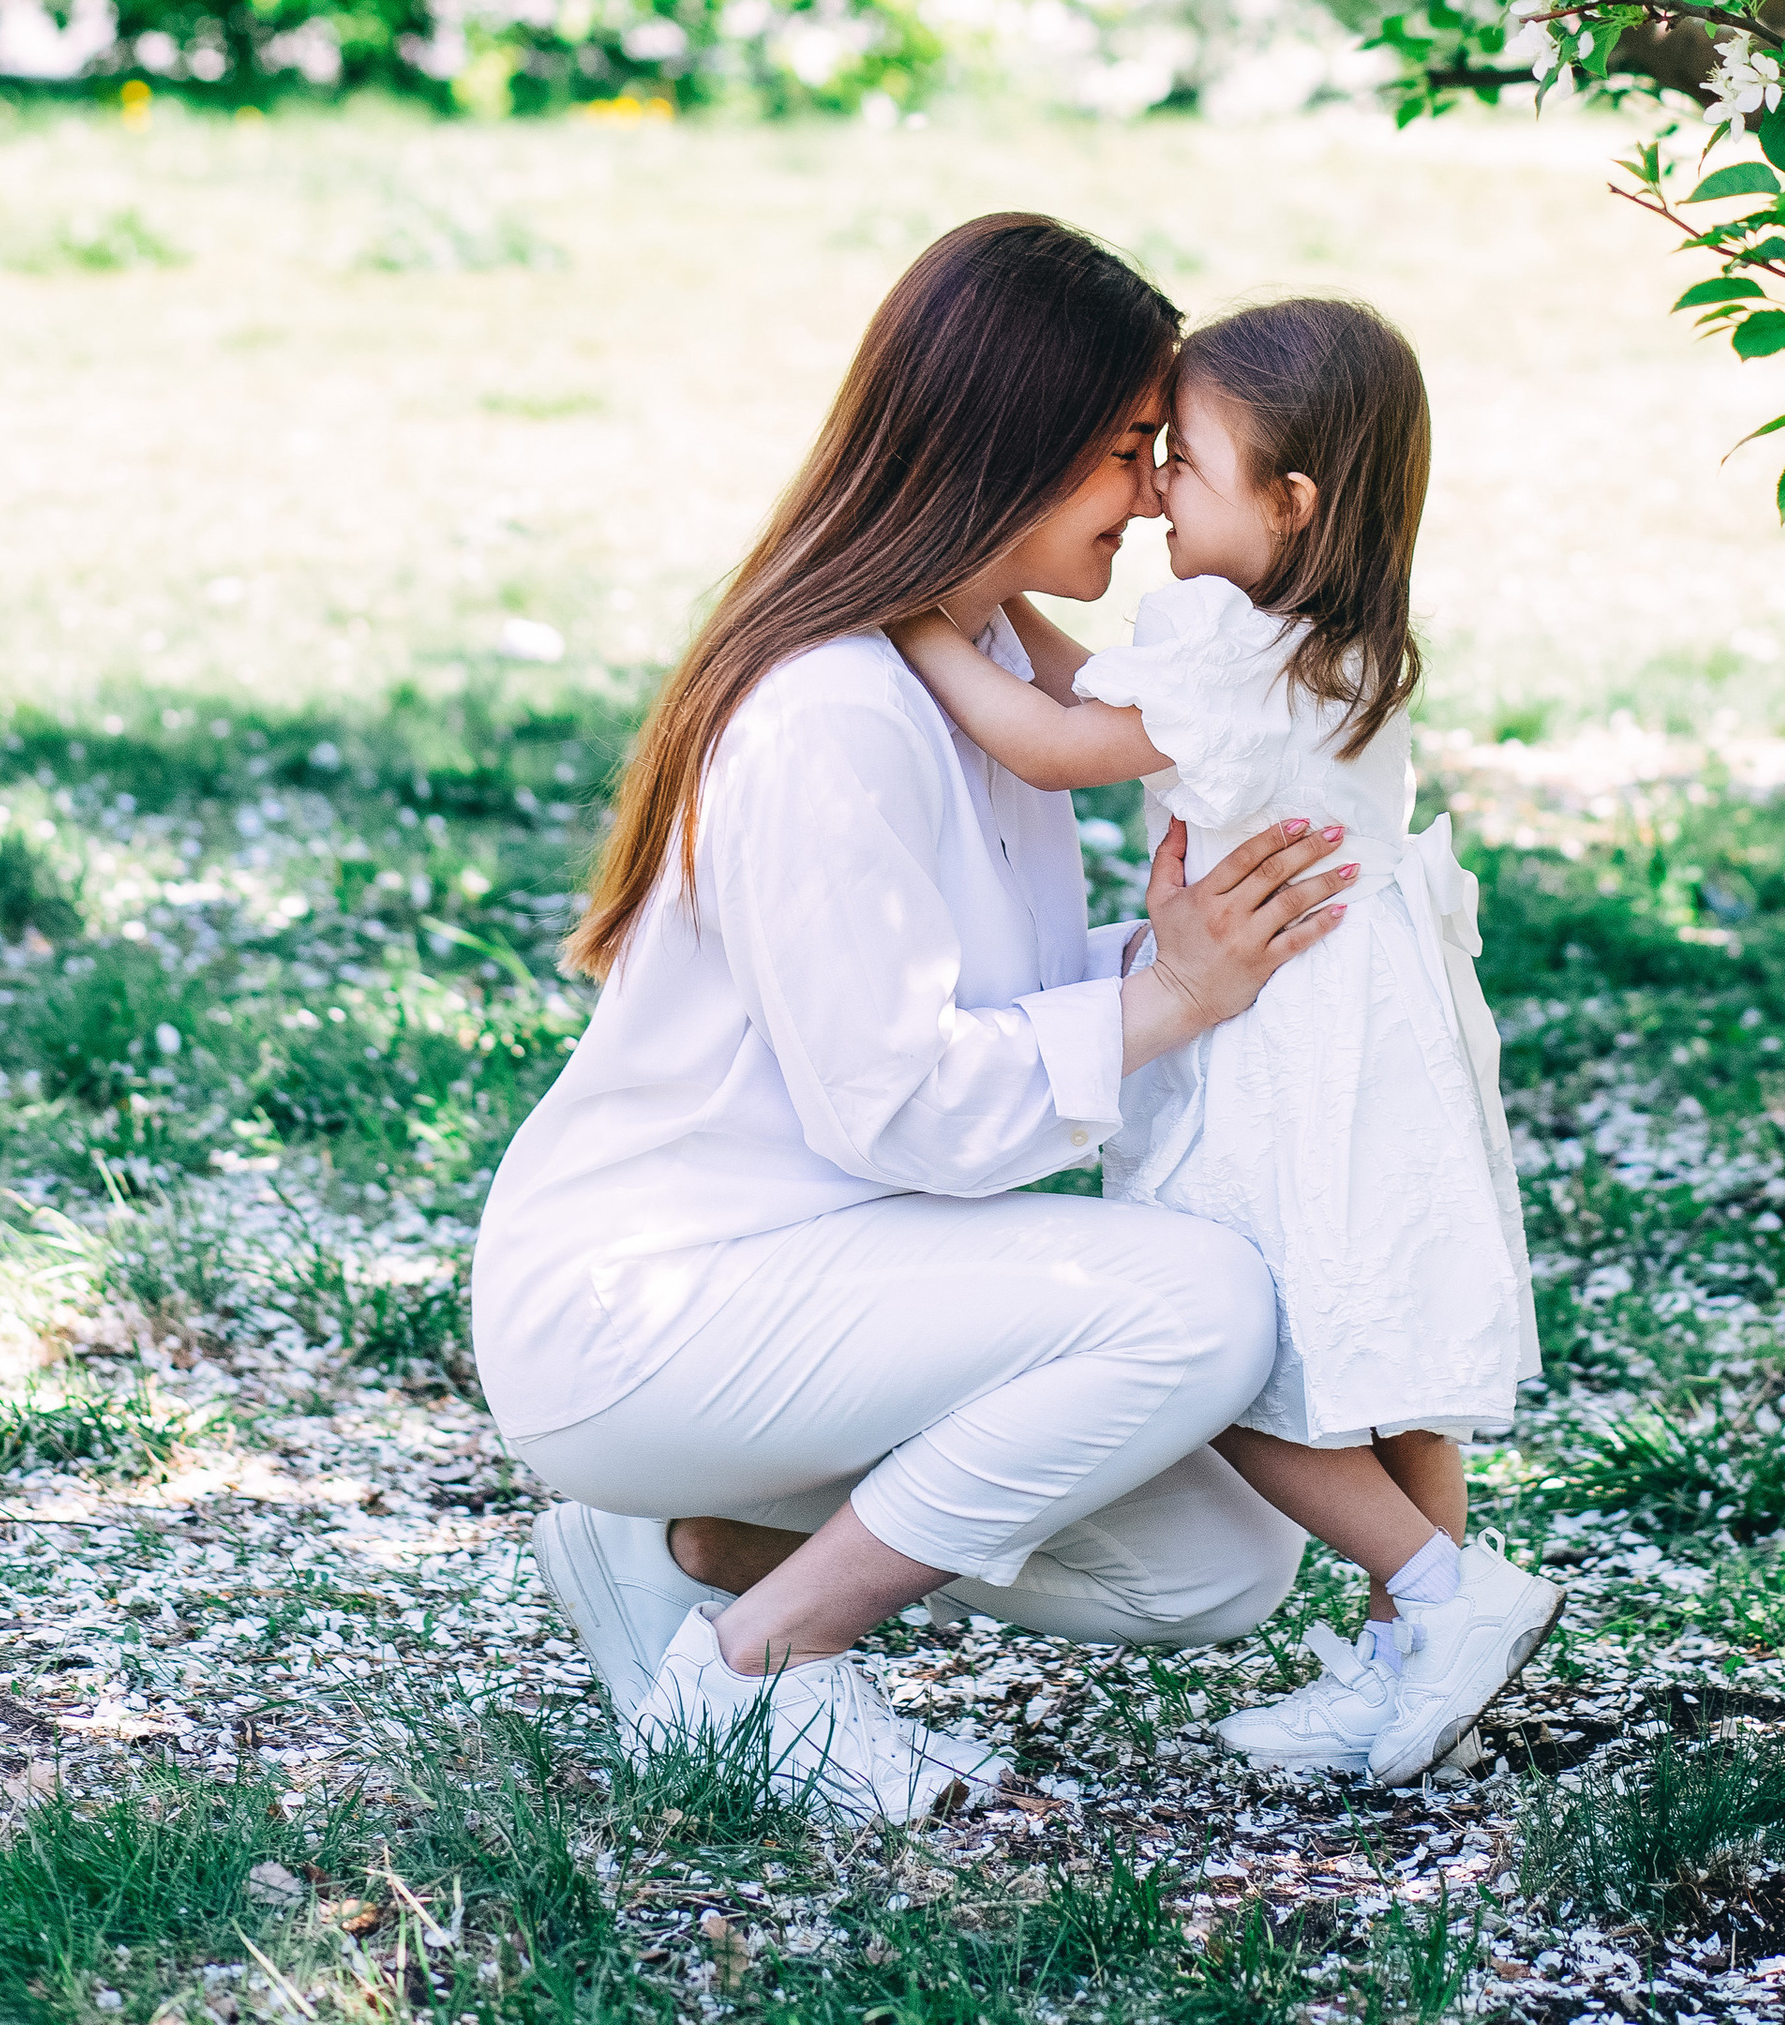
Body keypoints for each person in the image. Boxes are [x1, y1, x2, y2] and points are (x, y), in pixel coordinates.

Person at [471, 214, 1356, 1828]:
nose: (1158, 495)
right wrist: (1172, 994)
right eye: (1126, 450)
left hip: (815, 1284)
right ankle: (753, 1670)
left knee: (1221, 1564)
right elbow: (909, 1109)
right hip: (647, 1309)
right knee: (1199, 1308)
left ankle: (675, 1538)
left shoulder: (989, 659)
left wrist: (1184, 952)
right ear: (1001, 449)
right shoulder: (827, 709)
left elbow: (974, 1000)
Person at [890, 294, 1555, 1789]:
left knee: (1231, 1353)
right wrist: (1002, 606)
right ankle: (1417, 1655)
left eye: (1178, 460)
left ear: (1289, 500)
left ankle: (1453, 1597)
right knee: (1381, 1355)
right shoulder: (1337, 645)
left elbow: (1055, 738)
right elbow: (1091, 692)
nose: (1152, 490)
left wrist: (925, 621)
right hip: (1378, 1029)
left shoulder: (1233, 648)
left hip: (1277, 1046)